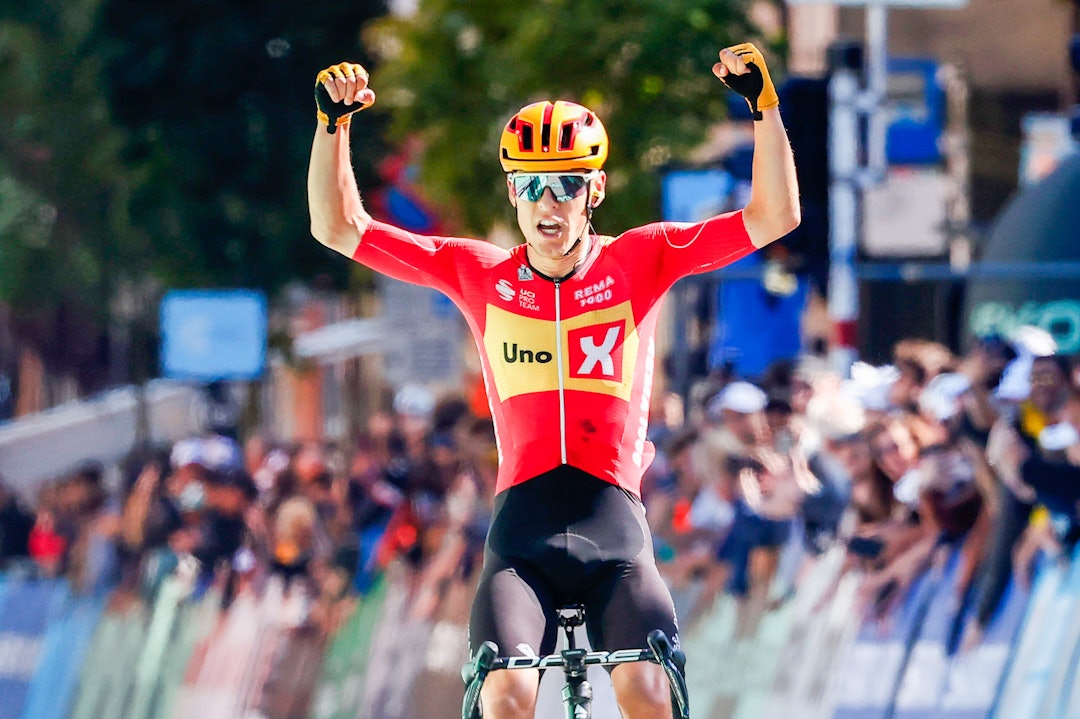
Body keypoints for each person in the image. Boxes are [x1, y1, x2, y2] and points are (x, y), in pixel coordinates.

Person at [307, 41, 799, 719]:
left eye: (567, 182)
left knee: (648, 694)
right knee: (506, 698)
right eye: (532, 184)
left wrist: (764, 109)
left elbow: (774, 218)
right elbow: (339, 227)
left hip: (616, 534)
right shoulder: (478, 272)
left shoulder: (641, 259)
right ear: (513, 191)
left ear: (594, 190)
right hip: (522, 540)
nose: (549, 200)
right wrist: (333, 128)